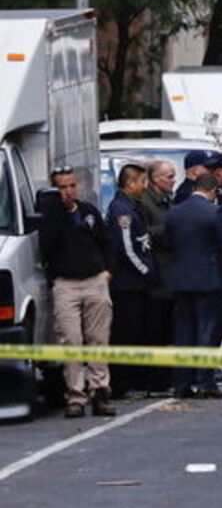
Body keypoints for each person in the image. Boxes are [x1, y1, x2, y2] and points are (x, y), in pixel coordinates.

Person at [39, 167, 115, 417]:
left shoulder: (88, 212)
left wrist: (107, 271)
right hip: (66, 283)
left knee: (98, 339)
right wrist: (57, 212)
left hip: (94, 280)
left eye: (72, 186)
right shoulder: (50, 217)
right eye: (62, 187)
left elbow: (106, 242)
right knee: (71, 341)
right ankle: (75, 394)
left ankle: (100, 390)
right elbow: (47, 248)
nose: (68, 192)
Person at [166, 173, 222, 399]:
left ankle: (182, 383)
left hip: (181, 280)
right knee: (208, 329)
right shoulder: (215, 212)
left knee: (184, 332)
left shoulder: (175, 212)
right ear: (214, 190)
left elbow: (169, 242)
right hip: (209, 279)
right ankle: (205, 380)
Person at [105, 163, 158, 399]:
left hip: (135, 282)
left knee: (136, 331)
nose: (145, 187)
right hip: (128, 284)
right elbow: (127, 247)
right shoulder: (122, 210)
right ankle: (120, 383)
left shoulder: (131, 206)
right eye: (142, 182)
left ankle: (129, 379)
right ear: (130, 184)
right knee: (125, 333)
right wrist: (146, 271)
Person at [136, 160, 176, 396]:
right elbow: (144, 233)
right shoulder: (146, 203)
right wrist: (169, 228)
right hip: (156, 275)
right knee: (155, 330)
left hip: (169, 273)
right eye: (169, 177)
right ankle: (154, 380)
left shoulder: (167, 201)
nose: (173, 181)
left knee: (167, 328)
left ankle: (165, 377)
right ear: (155, 180)